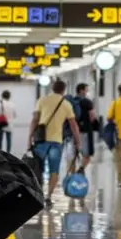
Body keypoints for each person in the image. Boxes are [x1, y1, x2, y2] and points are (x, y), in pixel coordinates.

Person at [28, 79, 81, 207]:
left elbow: (35, 120)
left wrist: (29, 139)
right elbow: (73, 125)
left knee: (37, 168)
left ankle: (38, 193)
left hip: (40, 140)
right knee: (54, 171)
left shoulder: (42, 100)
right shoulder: (66, 104)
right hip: (56, 142)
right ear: (64, 90)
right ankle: (48, 196)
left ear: (52, 88)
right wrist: (77, 142)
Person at [74, 83, 96, 170]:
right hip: (85, 130)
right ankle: (80, 171)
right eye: (86, 89)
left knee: (72, 156)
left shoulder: (72, 101)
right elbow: (92, 117)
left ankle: (72, 175)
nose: (87, 91)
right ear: (81, 90)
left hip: (73, 131)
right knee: (87, 155)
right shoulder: (87, 102)